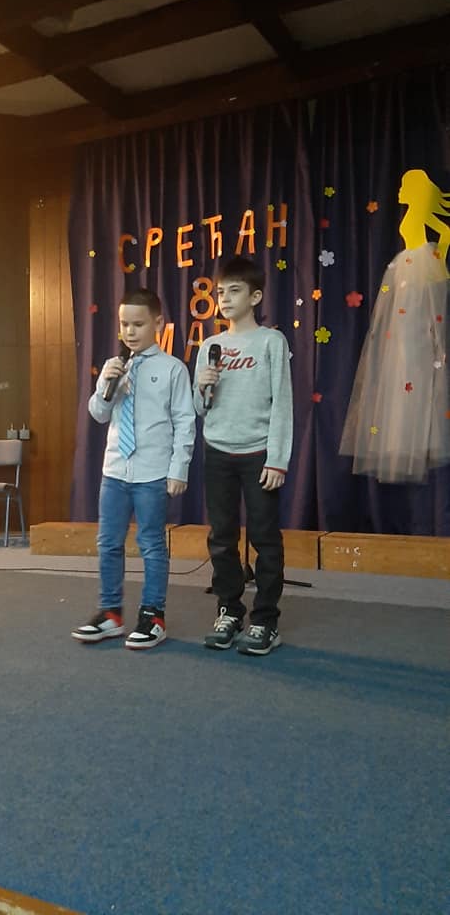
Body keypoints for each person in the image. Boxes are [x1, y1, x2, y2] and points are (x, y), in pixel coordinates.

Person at [71, 287, 195, 649]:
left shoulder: (172, 369)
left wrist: (179, 468)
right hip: (115, 470)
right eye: (124, 324)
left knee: (151, 544)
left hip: (152, 472)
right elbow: (98, 414)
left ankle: (153, 616)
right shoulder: (114, 365)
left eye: (138, 324)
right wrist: (107, 385)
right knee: (108, 543)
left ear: (158, 323)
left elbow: (185, 421)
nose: (129, 331)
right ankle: (111, 614)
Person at [194, 256, 293, 656]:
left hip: (258, 453)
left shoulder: (271, 341)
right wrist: (202, 386)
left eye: (234, 291)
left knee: (264, 538)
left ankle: (265, 620)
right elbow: (201, 409)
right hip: (217, 451)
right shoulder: (210, 346)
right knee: (221, 538)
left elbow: (282, 402)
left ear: (255, 296)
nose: (224, 298)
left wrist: (277, 459)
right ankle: (229, 611)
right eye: (220, 292)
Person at [339, 169, 450, 482]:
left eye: (404, 187)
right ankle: (402, 429)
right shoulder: (413, 215)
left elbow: (445, 232)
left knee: (416, 348)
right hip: (406, 275)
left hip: (417, 273)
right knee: (398, 353)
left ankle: (416, 429)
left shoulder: (420, 215)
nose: (399, 191)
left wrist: (438, 261)